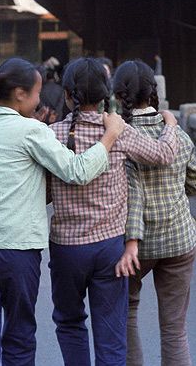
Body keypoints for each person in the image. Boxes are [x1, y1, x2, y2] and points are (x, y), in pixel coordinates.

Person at [0, 57, 127, 366]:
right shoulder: (32, 132)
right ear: (20, 93)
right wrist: (111, 134)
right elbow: (77, 171)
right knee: (19, 336)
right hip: (16, 250)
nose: (39, 100)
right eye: (36, 93)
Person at [47, 57, 178, 366]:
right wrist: (170, 125)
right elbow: (164, 154)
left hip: (66, 250)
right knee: (110, 331)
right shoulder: (117, 130)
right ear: (107, 94)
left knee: (69, 322)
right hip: (109, 250)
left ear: (67, 94)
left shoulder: (51, 134)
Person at [113, 60, 195, 366]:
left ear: (119, 96)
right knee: (175, 330)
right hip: (179, 241)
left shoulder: (117, 136)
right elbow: (194, 181)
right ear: (153, 92)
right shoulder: (178, 135)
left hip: (133, 247)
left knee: (127, 317)